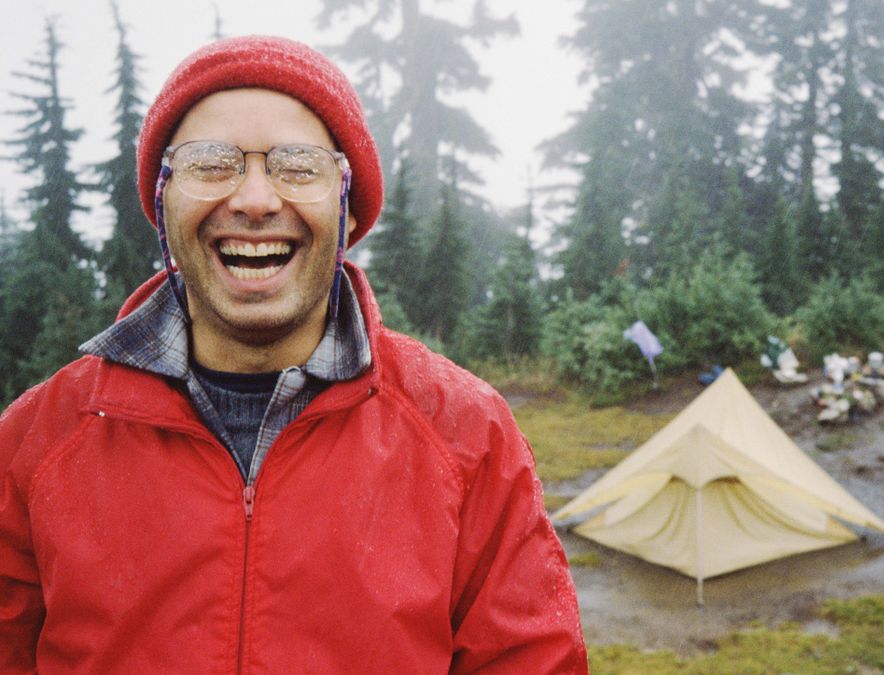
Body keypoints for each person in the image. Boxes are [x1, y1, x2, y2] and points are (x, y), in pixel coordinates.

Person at [0, 36, 587, 673]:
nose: (255, 200)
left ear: (348, 207)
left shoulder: (468, 435)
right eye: (211, 163)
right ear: (161, 201)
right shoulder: (36, 442)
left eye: (298, 167)